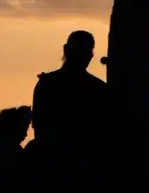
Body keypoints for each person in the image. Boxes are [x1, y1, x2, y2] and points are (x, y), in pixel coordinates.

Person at [29, 30, 109, 162]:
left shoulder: (47, 83)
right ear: (66, 50)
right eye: (81, 49)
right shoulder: (47, 84)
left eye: (87, 50)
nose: (86, 55)